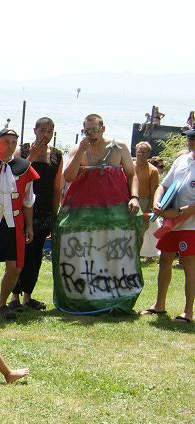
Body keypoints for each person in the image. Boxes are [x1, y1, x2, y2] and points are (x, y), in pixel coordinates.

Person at [55, 114, 142, 314]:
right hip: (82, 213)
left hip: (115, 212)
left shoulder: (119, 147)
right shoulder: (79, 149)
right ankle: (83, 296)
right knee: (84, 254)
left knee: (115, 256)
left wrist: (134, 197)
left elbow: (131, 174)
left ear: (103, 128)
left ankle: (115, 296)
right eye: (87, 131)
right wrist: (81, 153)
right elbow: (68, 176)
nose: (92, 135)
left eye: (95, 130)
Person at [0, 128, 39, 320]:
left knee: (15, 267)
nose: (10, 146)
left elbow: (28, 200)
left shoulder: (24, 167)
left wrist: (29, 226)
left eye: (14, 142)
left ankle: (1, 303)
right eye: (6, 141)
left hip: (14, 223)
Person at [140, 128, 195, 324]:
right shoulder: (182, 160)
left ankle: (188, 312)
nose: (190, 141)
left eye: (193, 138)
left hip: (191, 224)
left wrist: (179, 212)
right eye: (189, 138)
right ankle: (159, 305)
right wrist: (157, 201)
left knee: (189, 264)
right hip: (171, 222)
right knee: (164, 260)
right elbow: (164, 185)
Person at [8, 117, 63, 311]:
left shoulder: (56, 155)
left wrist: (54, 214)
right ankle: (14, 296)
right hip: (22, 208)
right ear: (35, 130)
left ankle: (28, 297)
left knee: (35, 255)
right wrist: (31, 156)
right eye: (42, 131)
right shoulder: (21, 151)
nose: (45, 135)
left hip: (43, 210)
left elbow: (57, 188)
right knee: (18, 253)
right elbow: (14, 177)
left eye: (49, 132)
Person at [133, 141, 162, 259]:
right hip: (129, 200)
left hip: (144, 202)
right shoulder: (130, 165)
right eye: (139, 152)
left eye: (144, 152)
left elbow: (154, 192)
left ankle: (136, 257)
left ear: (149, 153)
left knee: (140, 232)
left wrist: (149, 208)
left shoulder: (153, 170)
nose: (141, 154)